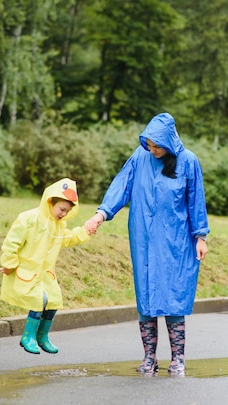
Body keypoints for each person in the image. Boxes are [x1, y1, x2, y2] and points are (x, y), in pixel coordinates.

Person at [86, 112, 209, 376]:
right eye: (149, 144)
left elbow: (195, 199)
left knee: (173, 294)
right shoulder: (140, 158)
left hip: (176, 240)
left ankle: (178, 359)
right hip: (143, 237)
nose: (152, 150)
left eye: (156, 145)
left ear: (169, 141)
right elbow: (121, 187)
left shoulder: (188, 161)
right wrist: (101, 214)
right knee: (146, 295)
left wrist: (201, 236)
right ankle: (149, 357)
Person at [0, 178, 93, 354]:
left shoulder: (58, 226)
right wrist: (9, 263)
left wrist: (85, 231)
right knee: (39, 300)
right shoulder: (29, 218)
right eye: (62, 209)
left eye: (67, 211)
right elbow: (12, 242)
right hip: (27, 271)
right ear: (50, 201)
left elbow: (67, 238)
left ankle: (42, 336)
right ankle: (28, 336)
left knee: (53, 300)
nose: (64, 214)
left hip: (45, 275)